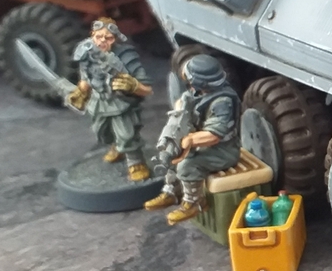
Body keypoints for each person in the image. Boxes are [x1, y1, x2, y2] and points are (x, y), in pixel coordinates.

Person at [144, 54, 241, 225]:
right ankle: (172, 192)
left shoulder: (222, 102)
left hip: (223, 151)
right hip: (204, 146)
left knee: (188, 164)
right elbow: (185, 100)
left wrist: (190, 140)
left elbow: (214, 135)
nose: (188, 82)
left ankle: (194, 203)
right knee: (172, 154)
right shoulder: (200, 92)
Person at [68, 17, 152, 181]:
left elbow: (147, 89)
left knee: (126, 135)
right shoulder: (86, 52)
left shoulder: (126, 57)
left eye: (108, 38)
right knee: (102, 133)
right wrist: (80, 91)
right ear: (92, 35)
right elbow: (86, 76)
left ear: (115, 39)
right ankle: (117, 147)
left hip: (120, 102)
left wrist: (133, 86)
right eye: (98, 37)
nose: (102, 41)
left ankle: (136, 163)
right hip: (99, 100)